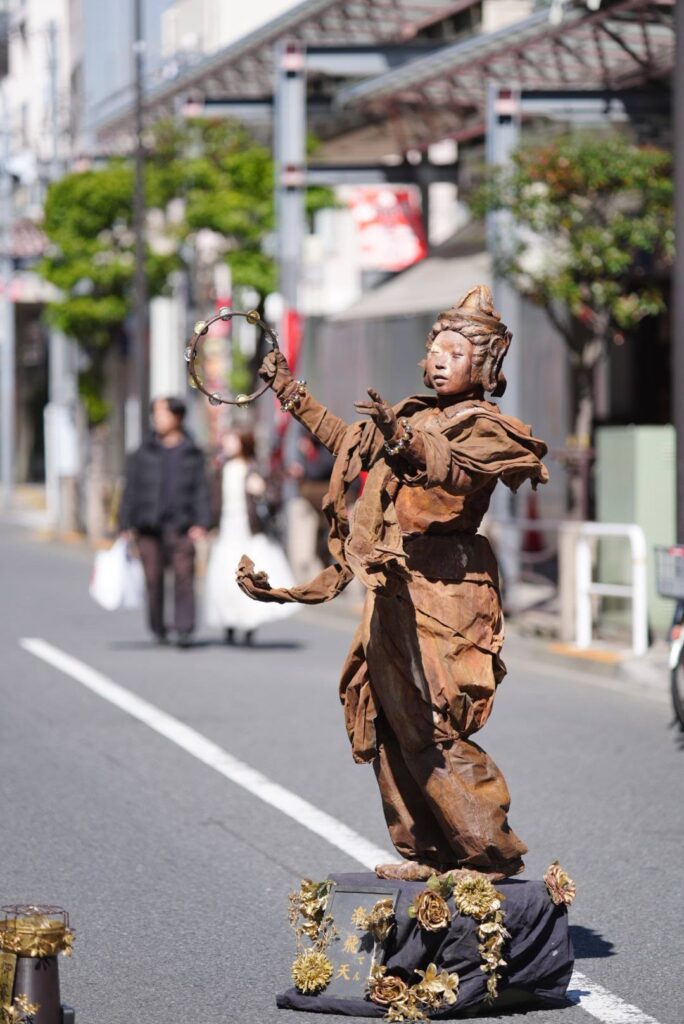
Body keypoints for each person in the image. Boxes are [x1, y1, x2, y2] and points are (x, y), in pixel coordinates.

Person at [237, 285, 548, 881]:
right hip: (394, 584)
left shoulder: (487, 427)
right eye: (436, 348)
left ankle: (488, 851)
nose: (439, 359)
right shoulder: (412, 415)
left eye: (456, 352)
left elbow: (448, 470)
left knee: (435, 720)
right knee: (386, 713)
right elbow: (350, 445)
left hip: (448, 590)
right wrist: (291, 394)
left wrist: (404, 441)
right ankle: (427, 851)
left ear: (484, 366)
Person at [119, 396, 211, 648]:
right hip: (148, 526)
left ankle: (184, 629)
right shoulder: (142, 452)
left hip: (182, 525)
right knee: (153, 578)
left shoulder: (192, 453)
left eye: (162, 414)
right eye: (155, 414)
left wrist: (202, 522)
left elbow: (202, 490)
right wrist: (124, 524)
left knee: (184, 576)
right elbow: (130, 490)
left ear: (177, 417)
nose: (157, 419)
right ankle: (158, 627)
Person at [204, 427, 297, 645]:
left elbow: (275, 500)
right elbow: (211, 501)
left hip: (250, 532)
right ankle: (229, 623)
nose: (227, 443)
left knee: (251, 578)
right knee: (225, 579)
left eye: (232, 439)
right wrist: (209, 525)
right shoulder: (220, 470)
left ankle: (249, 625)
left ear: (244, 442)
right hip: (226, 531)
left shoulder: (256, 469)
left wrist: (262, 490)